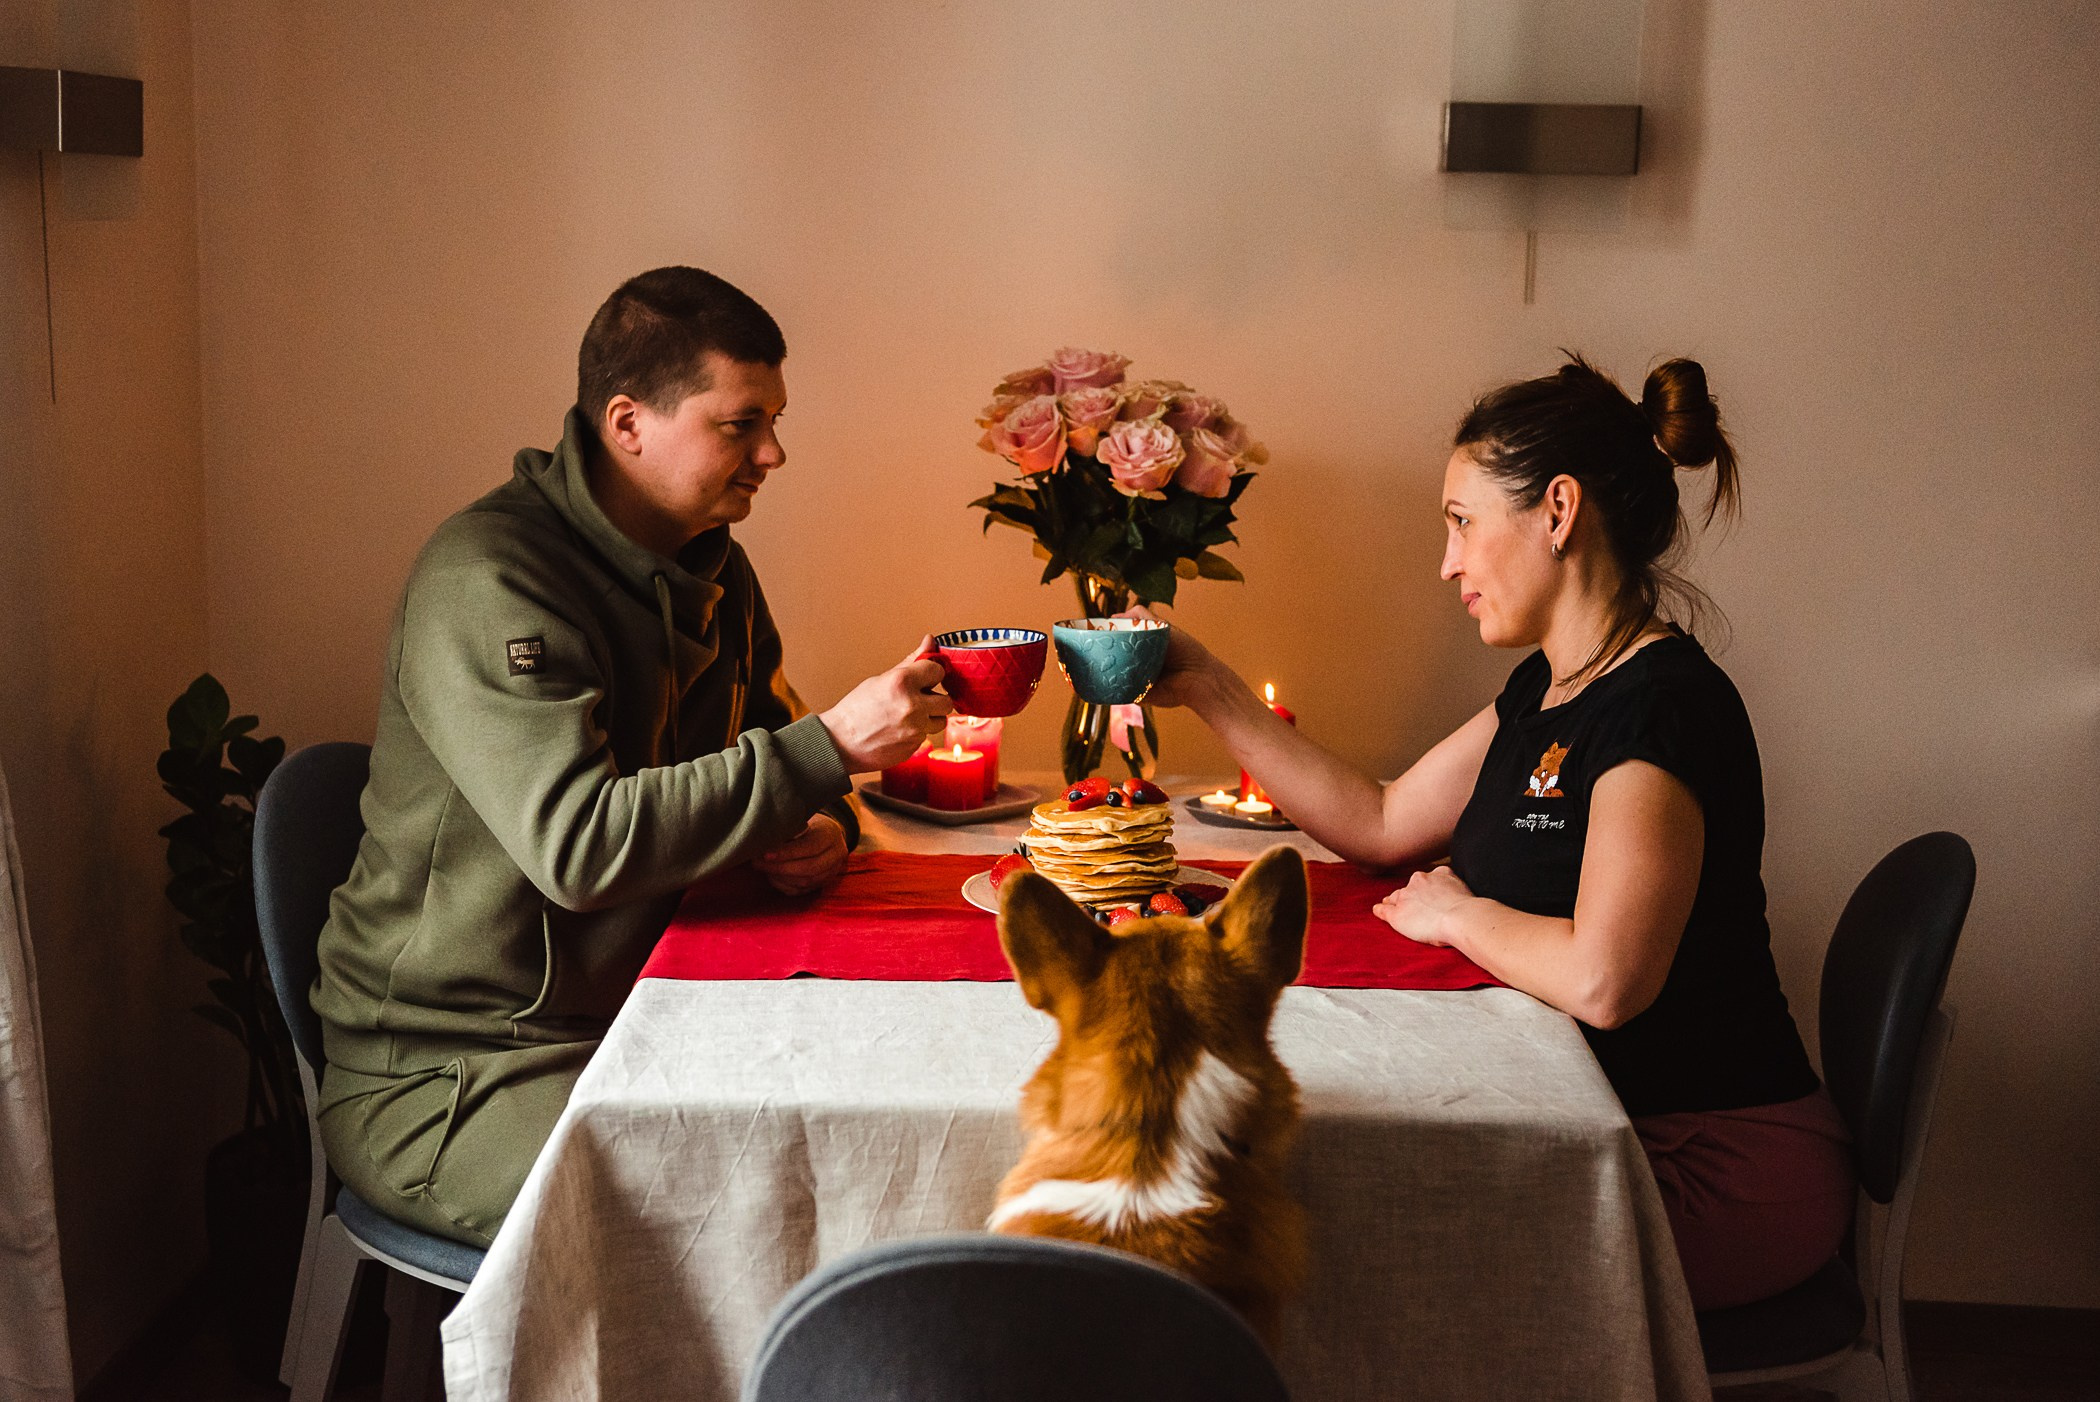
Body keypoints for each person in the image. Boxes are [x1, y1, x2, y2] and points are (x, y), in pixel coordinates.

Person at [1145, 355, 1853, 1310]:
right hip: (1611, 1125)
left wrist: (1462, 916)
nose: (1449, 563)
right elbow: (1384, 820)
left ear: (1557, 512)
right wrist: (1206, 685)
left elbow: (1606, 980)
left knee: (1367, 1252)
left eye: (1462, 523)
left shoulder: (1660, 710)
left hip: (1716, 1165)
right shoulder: (1547, 689)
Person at [312, 267, 948, 1248]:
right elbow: (580, 849)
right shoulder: (491, 579)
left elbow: (770, 761)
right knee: (739, 1222)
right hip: (457, 1072)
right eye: (740, 424)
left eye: (775, 420)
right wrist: (828, 751)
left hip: (650, 1012)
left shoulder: (713, 566)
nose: (773, 452)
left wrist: (825, 824)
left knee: (883, 1136)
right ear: (627, 423)